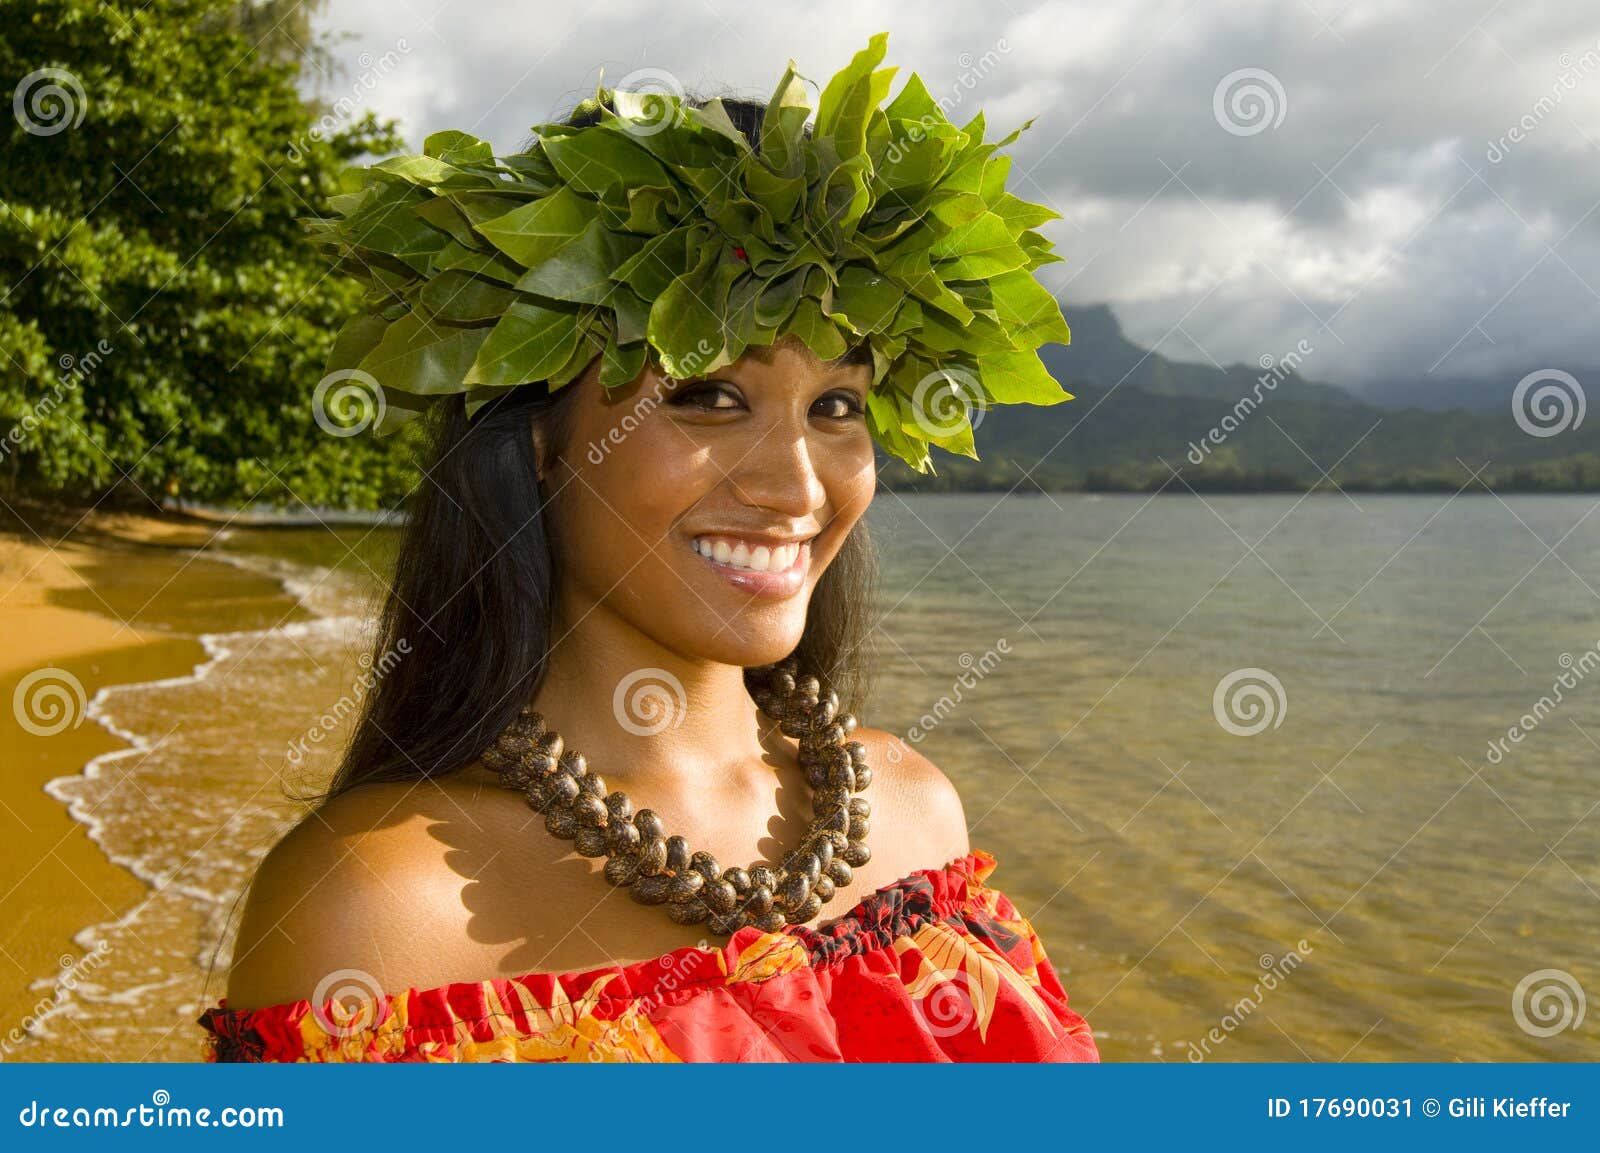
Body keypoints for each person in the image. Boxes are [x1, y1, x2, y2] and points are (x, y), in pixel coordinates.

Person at [197, 34, 1098, 1062]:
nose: (796, 485)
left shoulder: (918, 818)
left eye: (836, 404)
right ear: (537, 441)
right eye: (710, 395)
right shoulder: (376, 907)